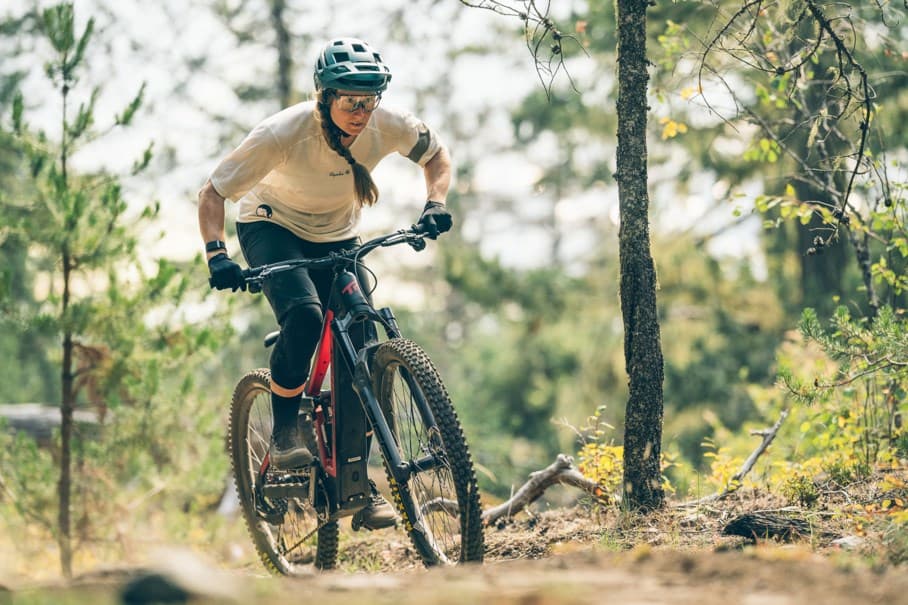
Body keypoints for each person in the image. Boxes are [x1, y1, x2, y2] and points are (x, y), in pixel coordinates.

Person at [197, 37, 453, 530]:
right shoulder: (283, 132)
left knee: (363, 345)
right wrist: (217, 256)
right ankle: (285, 433)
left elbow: (437, 157)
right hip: (272, 227)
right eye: (350, 102)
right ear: (325, 96)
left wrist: (435, 204)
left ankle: (355, 481)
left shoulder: (388, 123)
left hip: (337, 234)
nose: (361, 113)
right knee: (305, 317)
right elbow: (212, 193)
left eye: (369, 101)